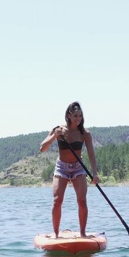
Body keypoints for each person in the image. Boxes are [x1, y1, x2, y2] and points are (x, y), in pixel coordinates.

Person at [40, 101, 100, 238]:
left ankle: (83, 233)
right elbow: (42, 148)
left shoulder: (85, 133)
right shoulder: (58, 130)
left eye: (80, 116)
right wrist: (54, 136)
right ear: (68, 115)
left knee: (82, 200)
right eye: (75, 116)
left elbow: (91, 154)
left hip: (79, 167)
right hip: (62, 167)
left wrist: (95, 173)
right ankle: (55, 234)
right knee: (57, 200)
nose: (78, 119)